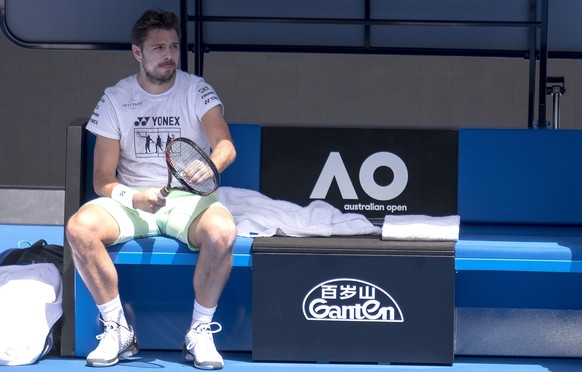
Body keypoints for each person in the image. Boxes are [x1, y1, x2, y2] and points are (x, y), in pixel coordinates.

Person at [65, 9, 237, 370]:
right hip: (133, 202)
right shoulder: (115, 98)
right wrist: (134, 197)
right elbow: (102, 179)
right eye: (158, 47)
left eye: (173, 46)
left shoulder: (196, 90)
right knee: (79, 228)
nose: (168, 55)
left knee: (222, 233)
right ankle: (117, 328)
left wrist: (203, 170)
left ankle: (200, 332)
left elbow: (225, 146)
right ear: (137, 53)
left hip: (188, 199)